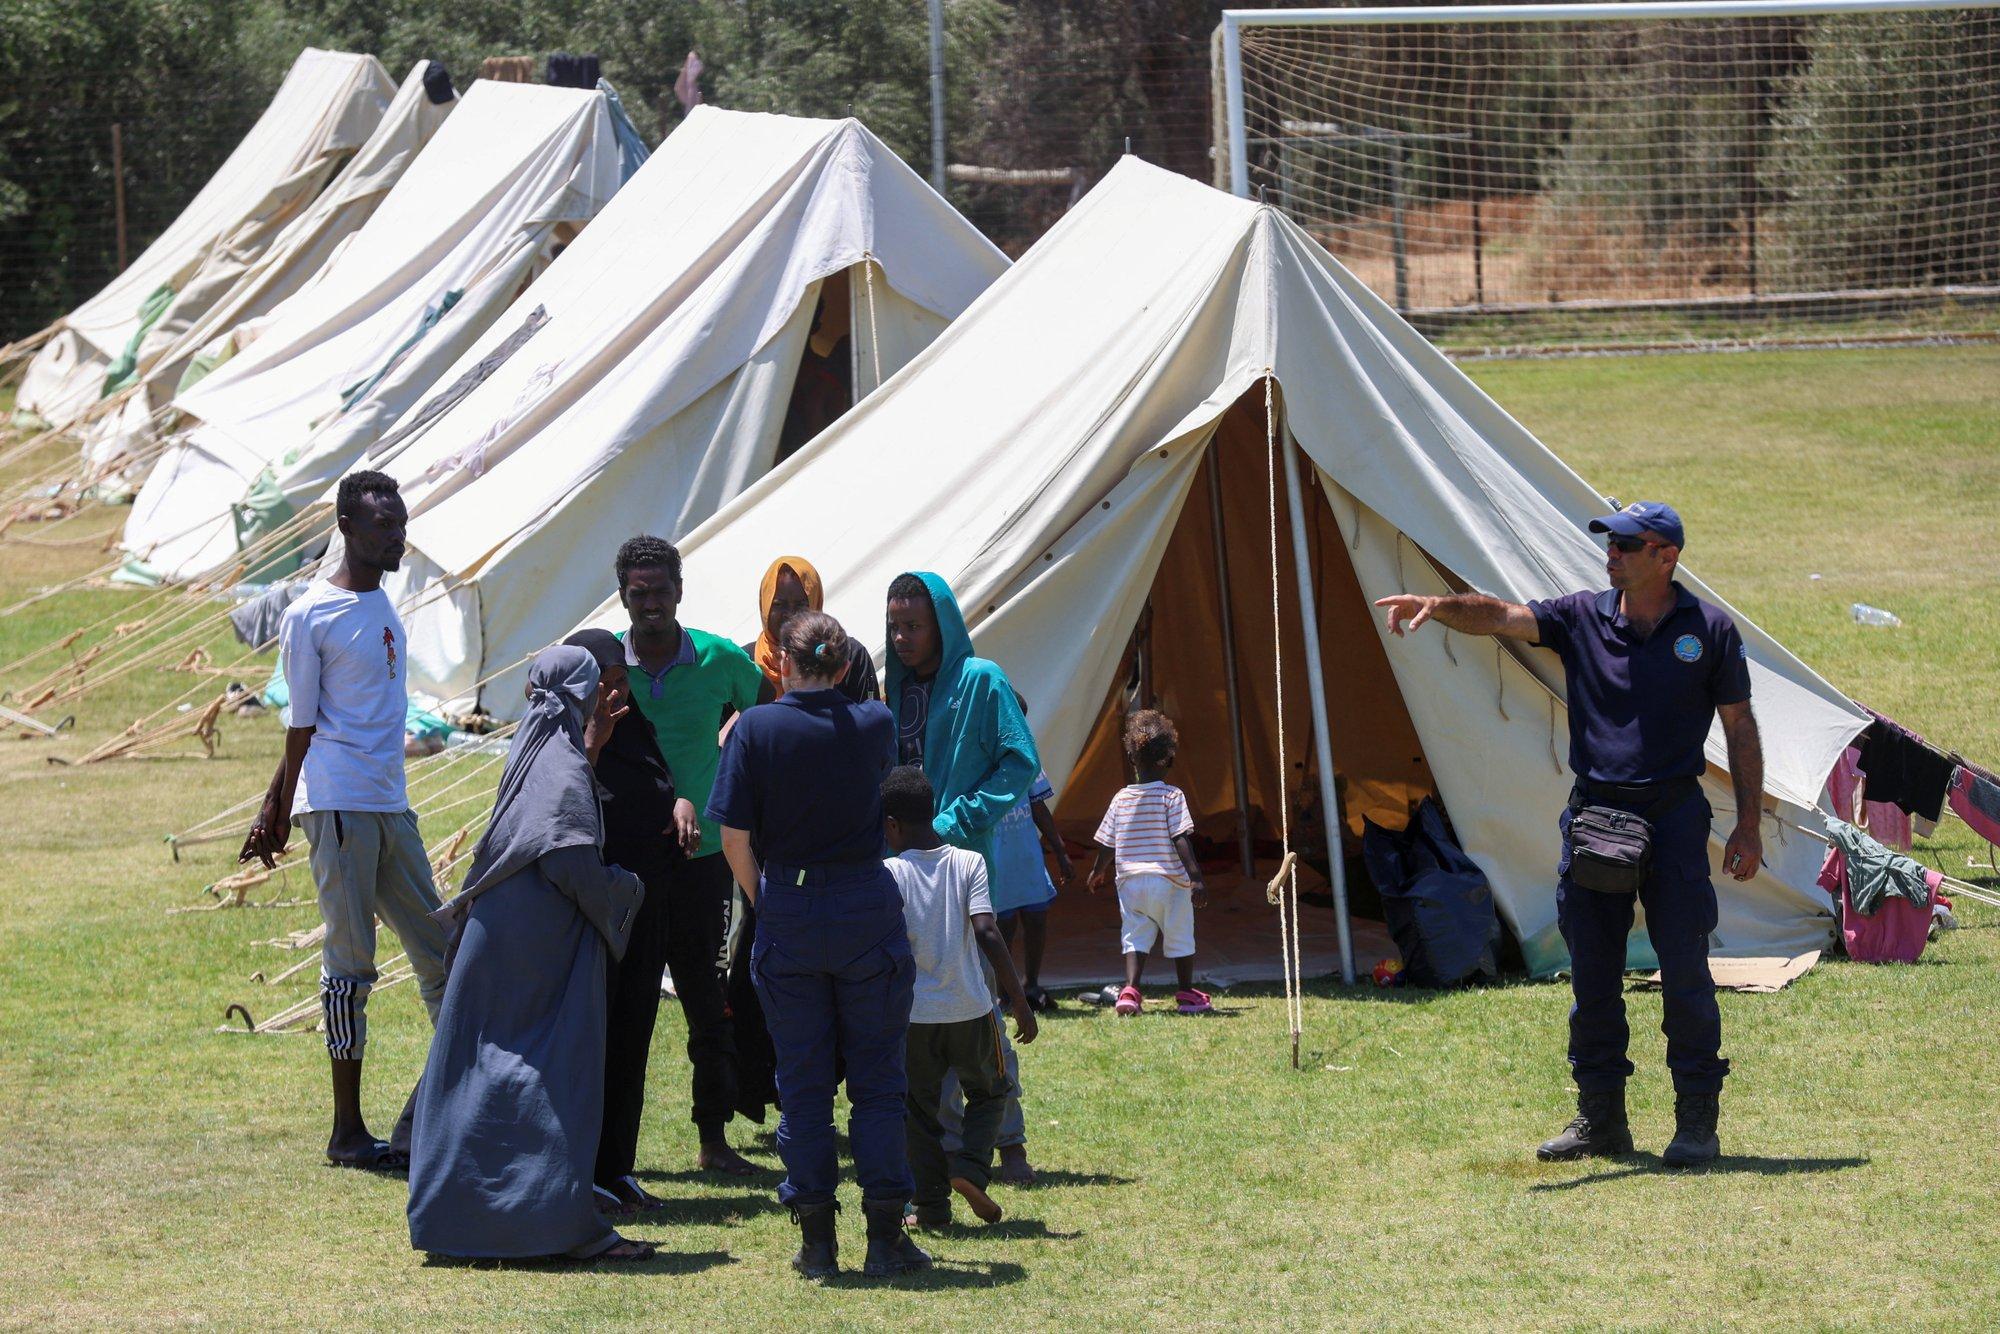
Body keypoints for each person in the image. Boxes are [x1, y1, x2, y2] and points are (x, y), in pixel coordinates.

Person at [1374, 500, 1762, 1168]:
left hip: (1671, 817)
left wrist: (1749, 823)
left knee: (1685, 974)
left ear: (1665, 556)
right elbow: (1501, 616)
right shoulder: (1583, 615)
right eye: (1608, 543)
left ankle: (1696, 1122)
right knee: (1593, 976)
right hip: (1596, 818)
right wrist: (1441, 606)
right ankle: (1601, 1122)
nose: (1610, 553)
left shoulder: (1710, 631)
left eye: (1625, 544)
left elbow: (1740, 727)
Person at [405, 645, 652, 1262]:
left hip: (506, 938)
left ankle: (458, 1220)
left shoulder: (536, 752)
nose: (604, 697)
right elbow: (568, 857)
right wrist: (624, 888)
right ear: (580, 694)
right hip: (537, 945)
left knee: (489, 1073)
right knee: (546, 1075)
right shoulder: (561, 766)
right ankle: (554, 1226)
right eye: (596, 687)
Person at [708, 610, 930, 1279]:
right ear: (843, 666)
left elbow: (734, 837)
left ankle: (816, 1245)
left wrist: (766, 898)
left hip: (792, 906)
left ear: (780, 663)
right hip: (865, 904)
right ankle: (887, 1239)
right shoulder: (876, 724)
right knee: (879, 1085)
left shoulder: (754, 728)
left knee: (802, 1089)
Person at [240, 470, 447, 1171]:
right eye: (385, 526)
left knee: (443, 954)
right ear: (347, 529)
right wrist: (277, 808)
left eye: (401, 521)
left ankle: (451, 1109)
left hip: (391, 802)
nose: (399, 535)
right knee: (349, 968)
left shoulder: (384, 603)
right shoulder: (310, 615)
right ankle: (347, 1133)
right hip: (336, 805)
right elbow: (299, 727)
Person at [613, 535, 770, 1178]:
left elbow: (766, 724)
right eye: (638, 592)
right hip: (624, 865)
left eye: (660, 590)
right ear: (623, 595)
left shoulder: (721, 660)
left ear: (681, 590)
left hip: (705, 859)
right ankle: (613, 1150)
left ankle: (714, 1141)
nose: (651, 603)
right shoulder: (604, 666)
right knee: (627, 1008)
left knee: (709, 1001)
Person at [726, 555, 882, 1130]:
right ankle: (777, 1092)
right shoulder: (743, 663)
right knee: (752, 969)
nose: (787, 615)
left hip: (832, 841)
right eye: (779, 605)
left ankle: (813, 1099)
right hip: (766, 847)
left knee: (837, 978)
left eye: (799, 603)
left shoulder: (849, 657)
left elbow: (866, 737)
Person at [562, 628, 701, 1216]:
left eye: (623, 682)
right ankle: (581, 1169)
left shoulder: (631, 721)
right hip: (595, 915)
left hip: (646, 904)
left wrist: (678, 801)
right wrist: (594, 739)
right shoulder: (563, 732)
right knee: (594, 1038)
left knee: (634, 1034)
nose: (617, 694)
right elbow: (562, 803)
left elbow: (654, 777)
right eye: (605, 685)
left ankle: (618, 1165)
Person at [882, 765, 1039, 1230]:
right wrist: (1021, 1000)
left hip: (914, 1019)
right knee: (991, 1093)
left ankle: (931, 1210)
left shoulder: (889, 873)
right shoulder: (968, 862)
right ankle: (970, 1170)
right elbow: (988, 931)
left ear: (891, 824)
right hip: (971, 1010)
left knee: (919, 1114)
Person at [1087, 709, 1211, 1016]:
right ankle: (1186, 993)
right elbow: (1181, 838)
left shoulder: (1120, 798)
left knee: (1135, 935)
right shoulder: (1172, 796)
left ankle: (1130, 991)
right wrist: (1195, 878)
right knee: (1180, 934)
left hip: (1130, 882)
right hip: (1168, 881)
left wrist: (1097, 871)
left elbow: (1108, 843)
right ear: (1169, 759)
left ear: (1132, 760)